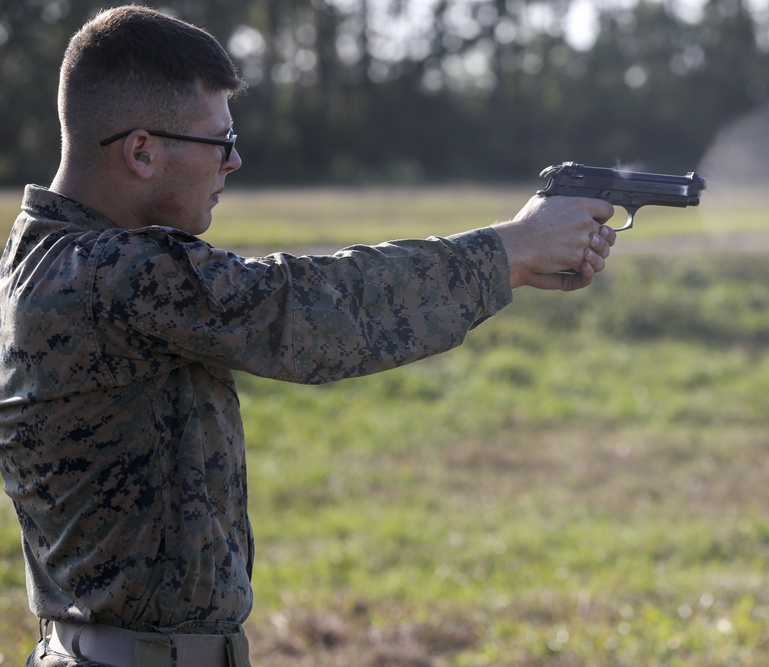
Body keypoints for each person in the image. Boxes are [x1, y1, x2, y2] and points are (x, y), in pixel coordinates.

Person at [0, 5, 616, 667]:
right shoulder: (112, 271)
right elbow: (308, 310)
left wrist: (516, 257)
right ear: (142, 151)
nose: (234, 160)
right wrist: (511, 249)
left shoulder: (47, 252)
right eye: (220, 139)